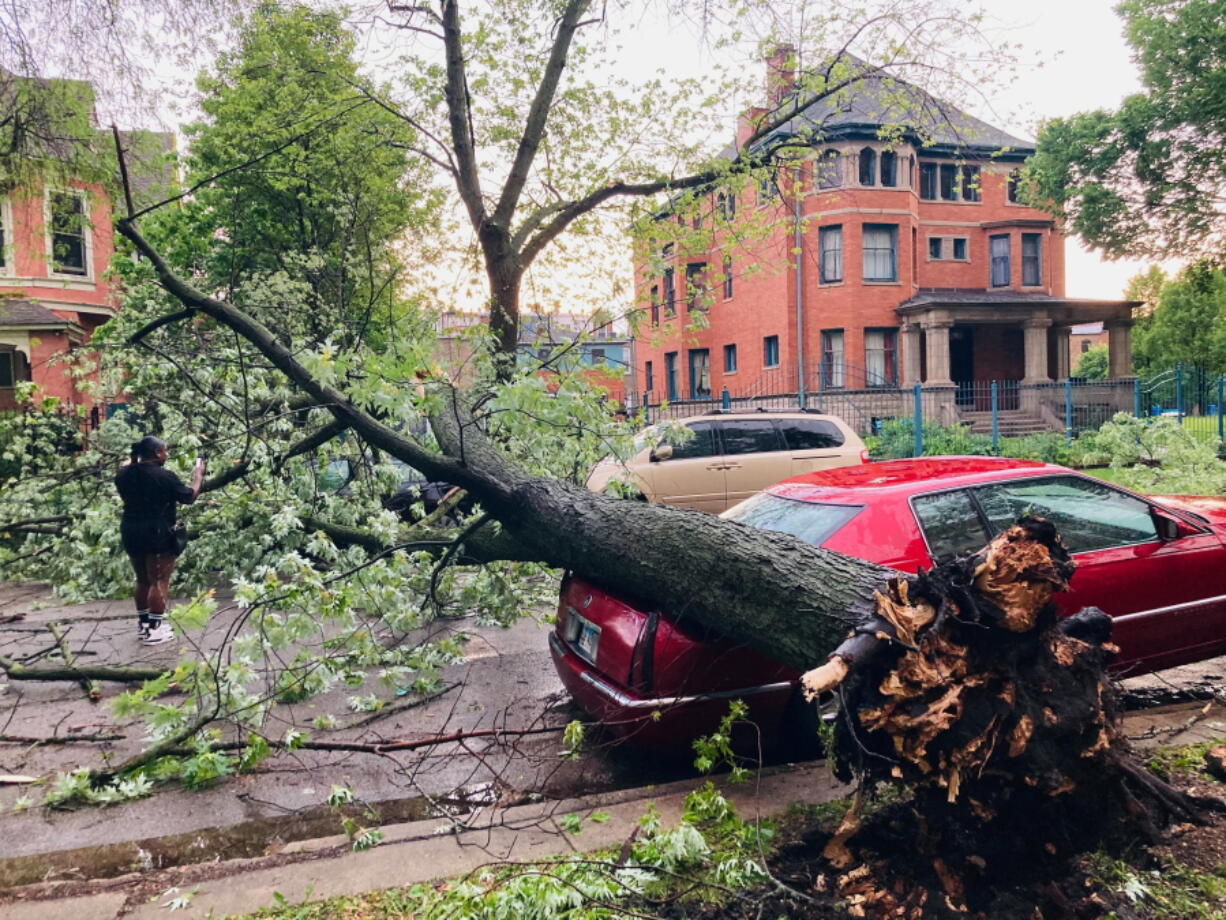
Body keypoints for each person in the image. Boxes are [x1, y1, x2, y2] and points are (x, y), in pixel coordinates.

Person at [115, 436, 205, 644]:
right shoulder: (164, 476)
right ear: (156, 453)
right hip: (157, 531)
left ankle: (144, 624)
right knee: (158, 579)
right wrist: (198, 475)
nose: (167, 454)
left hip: (130, 529)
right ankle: (155, 630)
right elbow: (189, 496)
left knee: (142, 579)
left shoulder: (124, 474)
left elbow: (126, 469)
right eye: (165, 451)